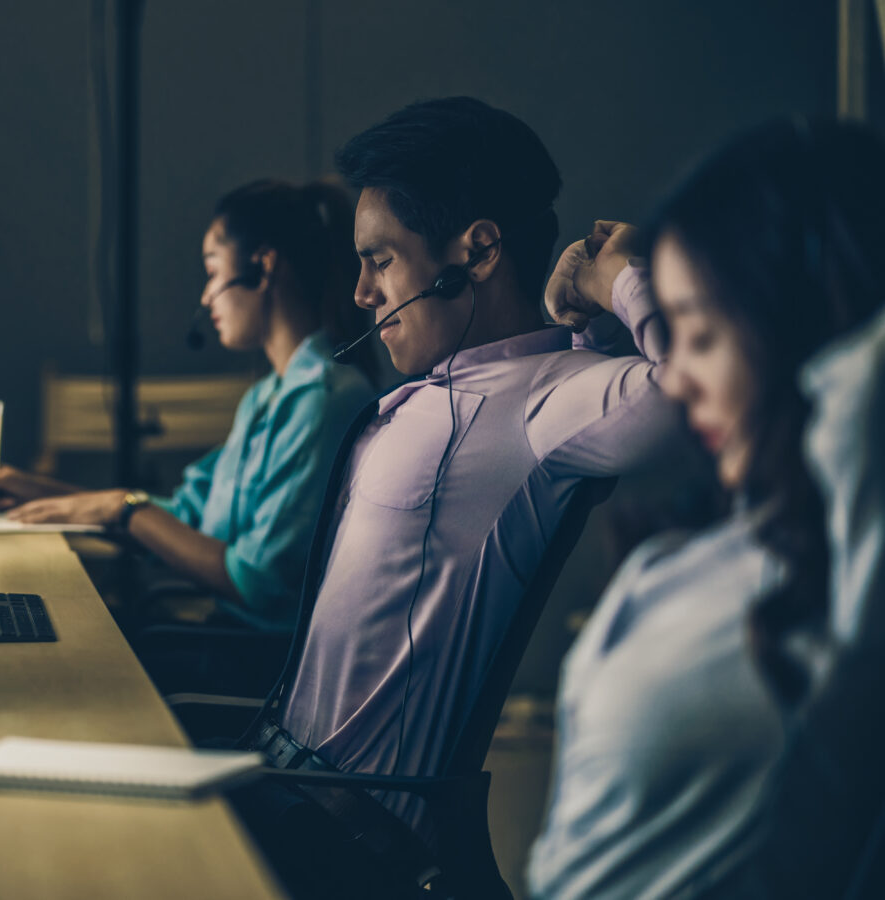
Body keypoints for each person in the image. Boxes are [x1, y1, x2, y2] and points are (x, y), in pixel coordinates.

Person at [228, 97, 677, 898]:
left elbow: (700, 387)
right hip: (273, 788)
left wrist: (619, 281)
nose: (362, 292)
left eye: (380, 260)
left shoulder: (551, 401)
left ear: (473, 254)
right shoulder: (434, 388)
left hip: (348, 845)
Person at [528, 118, 885, 900]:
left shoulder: (856, 583)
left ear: (803, 335)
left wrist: (623, 280)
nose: (677, 378)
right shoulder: (714, 550)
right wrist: (607, 301)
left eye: (702, 334)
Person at [0, 180, 375, 631]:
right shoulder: (266, 398)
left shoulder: (322, 401)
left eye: (213, 271)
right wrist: (39, 490)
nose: (205, 295)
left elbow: (256, 583)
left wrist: (123, 507)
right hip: (219, 639)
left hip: (248, 662)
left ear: (262, 268)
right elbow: (183, 518)